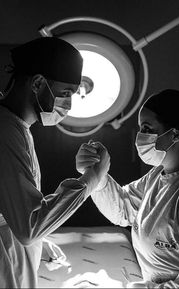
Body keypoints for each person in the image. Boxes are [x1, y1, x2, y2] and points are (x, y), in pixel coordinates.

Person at [75, 89, 179, 288]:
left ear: (175, 134)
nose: (140, 136)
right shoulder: (160, 175)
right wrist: (97, 175)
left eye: (146, 128)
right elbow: (123, 209)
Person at [0, 37, 108, 288]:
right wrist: (92, 178)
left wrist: (39, 242)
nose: (68, 104)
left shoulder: (17, 127)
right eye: (65, 93)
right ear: (38, 83)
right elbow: (29, 227)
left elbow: (15, 213)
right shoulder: (6, 132)